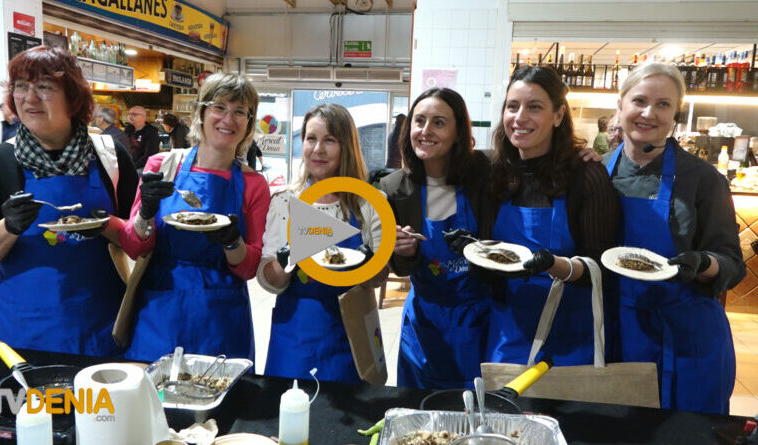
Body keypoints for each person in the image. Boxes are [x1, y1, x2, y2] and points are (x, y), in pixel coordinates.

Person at [0, 46, 138, 356]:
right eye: (21, 86)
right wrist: (8, 226)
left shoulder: (110, 155)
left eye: (43, 87)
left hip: (104, 320)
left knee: (100, 405)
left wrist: (109, 224)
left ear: (72, 96)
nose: (29, 97)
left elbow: (139, 237)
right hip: (25, 328)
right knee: (35, 405)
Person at [605, 62, 743, 414]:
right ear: (621, 106)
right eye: (639, 101)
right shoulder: (594, 174)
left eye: (663, 104)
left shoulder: (703, 179)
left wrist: (703, 264)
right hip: (616, 330)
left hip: (688, 336)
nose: (649, 113)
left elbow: (730, 261)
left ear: (675, 115)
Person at [120, 73, 270, 362]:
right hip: (159, 307)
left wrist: (231, 241)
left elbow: (249, 267)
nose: (228, 119)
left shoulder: (254, 185)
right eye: (219, 107)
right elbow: (132, 245)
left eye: (240, 111)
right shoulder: (162, 166)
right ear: (201, 112)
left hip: (221, 316)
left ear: (249, 123)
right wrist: (146, 212)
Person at [478, 66, 620, 367]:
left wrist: (558, 266)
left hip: (569, 336)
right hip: (508, 329)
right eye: (512, 106)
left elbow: (604, 266)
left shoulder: (587, 175)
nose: (519, 117)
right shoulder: (496, 172)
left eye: (535, 107)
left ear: (558, 116)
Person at [377, 88, 496, 389]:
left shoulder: (485, 174)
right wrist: (402, 251)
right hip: (424, 324)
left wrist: (586, 156)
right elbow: (401, 269)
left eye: (439, 122)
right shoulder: (395, 188)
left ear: (459, 132)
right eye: (419, 121)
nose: (425, 131)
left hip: (480, 320)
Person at [257, 103, 384, 384]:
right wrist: (284, 261)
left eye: (330, 140)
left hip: (351, 331)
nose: (318, 149)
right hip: (294, 330)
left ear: (347, 146)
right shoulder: (284, 202)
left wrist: (367, 263)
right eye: (311, 139)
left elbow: (378, 278)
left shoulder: (370, 204)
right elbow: (268, 281)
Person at [125, 105, 160, 170]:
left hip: (142, 168)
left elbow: (148, 156)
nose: (130, 116)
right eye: (129, 114)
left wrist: (132, 168)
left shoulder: (151, 132)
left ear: (143, 117)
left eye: (134, 114)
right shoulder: (128, 129)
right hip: (128, 165)